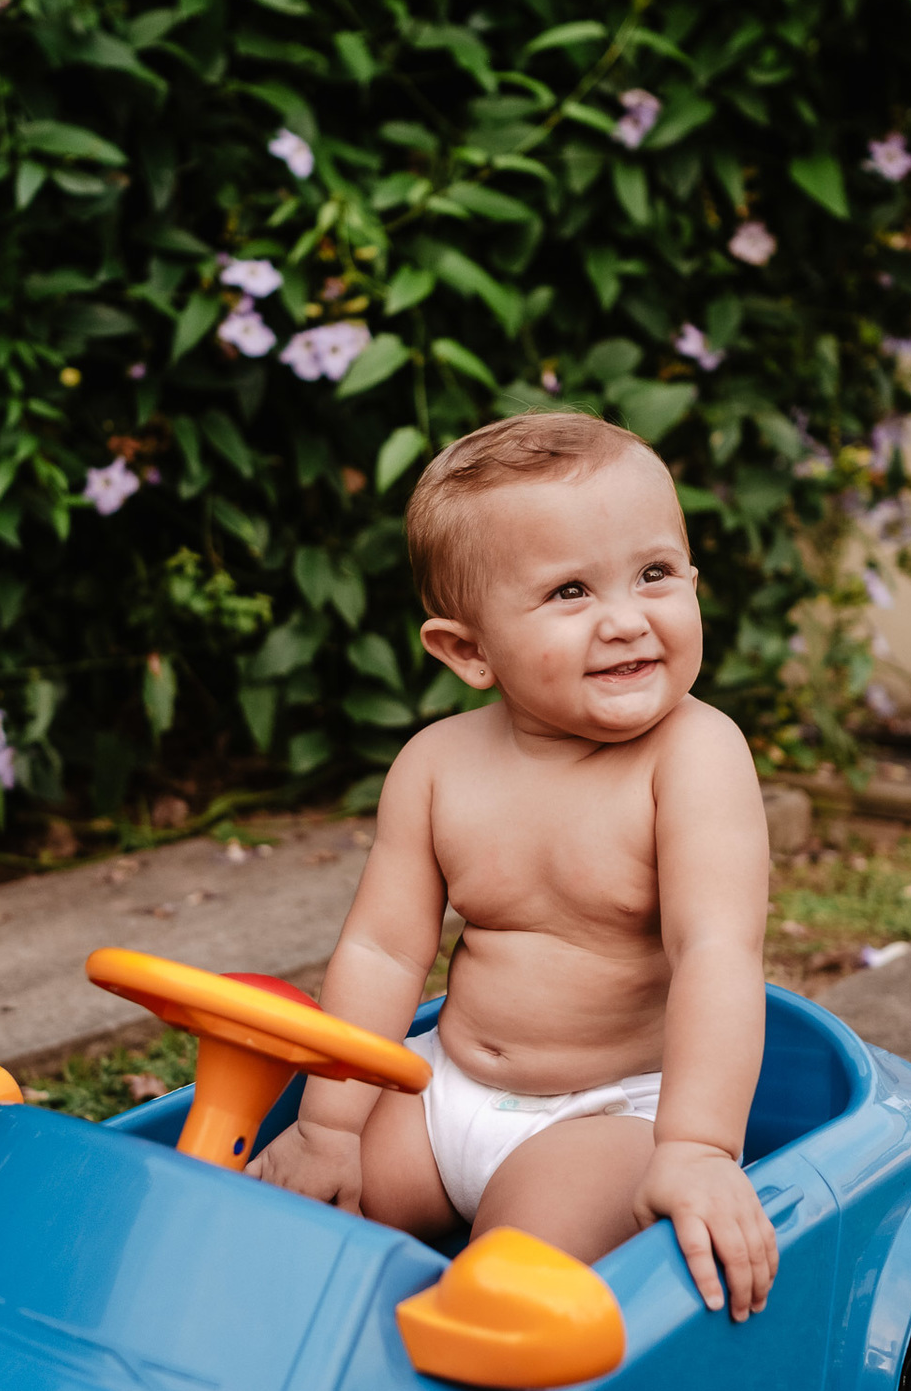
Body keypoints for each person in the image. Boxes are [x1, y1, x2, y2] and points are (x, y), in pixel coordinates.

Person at [249, 410, 777, 1323]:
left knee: (510, 1281)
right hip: (441, 1091)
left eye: (655, 574)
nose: (626, 620)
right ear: (470, 650)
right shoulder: (436, 766)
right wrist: (327, 1127)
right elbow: (382, 951)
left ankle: (466, 1347)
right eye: (570, 591)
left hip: (607, 1117)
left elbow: (716, 953)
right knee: (285, 1232)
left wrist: (695, 1147)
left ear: (693, 582)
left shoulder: (694, 756)